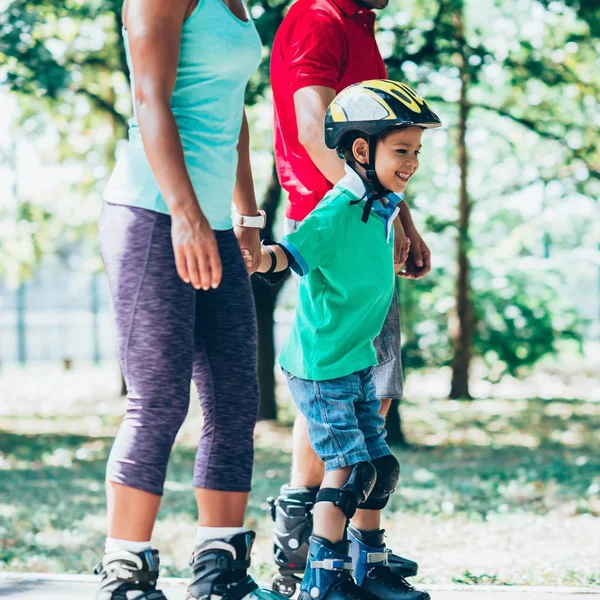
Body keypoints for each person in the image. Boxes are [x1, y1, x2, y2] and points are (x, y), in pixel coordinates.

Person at [96, 1, 284, 599]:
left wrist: (246, 213)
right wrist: (186, 214)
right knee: (158, 400)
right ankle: (125, 568)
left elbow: (234, 113)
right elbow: (150, 99)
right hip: (154, 214)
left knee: (234, 399)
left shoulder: (239, 5)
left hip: (214, 223)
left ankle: (219, 566)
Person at [252, 80, 441, 600]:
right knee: (349, 468)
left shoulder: (381, 208)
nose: (412, 162)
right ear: (362, 150)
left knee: (379, 466)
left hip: (353, 359)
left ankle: (370, 563)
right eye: (401, 150)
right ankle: (323, 580)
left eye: (417, 151)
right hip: (321, 366)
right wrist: (259, 256)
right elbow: (289, 254)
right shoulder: (338, 210)